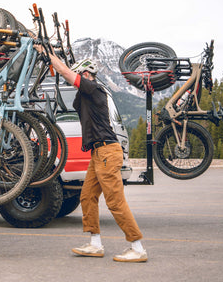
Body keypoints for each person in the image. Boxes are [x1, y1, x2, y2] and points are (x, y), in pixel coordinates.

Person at [39, 49, 147, 262]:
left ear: (86, 74)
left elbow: (65, 72)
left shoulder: (94, 88)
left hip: (107, 151)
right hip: (99, 153)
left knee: (115, 201)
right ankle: (95, 244)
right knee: (87, 197)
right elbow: (65, 75)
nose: (75, 80)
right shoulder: (85, 95)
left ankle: (137, 247)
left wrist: (47, 53)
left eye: (79, 75)